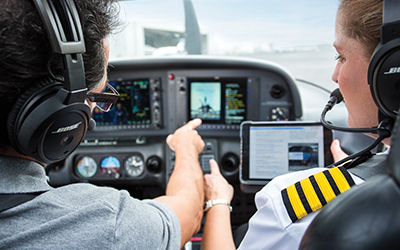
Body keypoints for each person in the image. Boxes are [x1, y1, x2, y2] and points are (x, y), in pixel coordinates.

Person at [0, 1, 204, 249]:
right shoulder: (105, 224)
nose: (94, 112)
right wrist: (186, 148)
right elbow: (189, 214)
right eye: (97, 98)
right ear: (57, 117)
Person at [200, 0, 391, 249]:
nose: (334, 75)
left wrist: (217, 202)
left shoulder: (290, 207)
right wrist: (356, 169)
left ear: (391, 71)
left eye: (341, 56)